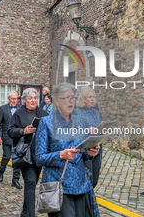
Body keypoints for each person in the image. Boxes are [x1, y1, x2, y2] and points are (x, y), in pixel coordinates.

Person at [35, 82, 100, 217]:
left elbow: (82, 152)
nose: (71, 101)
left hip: (80, 184)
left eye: (73, 98)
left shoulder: (80, 122)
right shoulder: (46, 122)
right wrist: (60, 155)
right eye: (67, 98)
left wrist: (90, 152)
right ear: (57, 102)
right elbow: (39, 157)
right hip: (59, 185)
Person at [8, 88, 48, 217]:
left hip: (39, 153)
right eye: (30, 98)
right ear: (24, 100)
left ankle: (25, 212)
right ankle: (30, 214)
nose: (33, 100)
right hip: (25, 154)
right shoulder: (18, 114)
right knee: (30, 182)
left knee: (33, 183)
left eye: (35, 98)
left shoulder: (43, 113)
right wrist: (23, 131)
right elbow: (10, 131)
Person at [75, 86, 102, 189]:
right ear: (83, 99)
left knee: (94, 181)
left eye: (93, 97)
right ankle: (87, 203)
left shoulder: (96, 113)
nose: (92, 99)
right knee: (87, 179)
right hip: (85, 150)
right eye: (90, 97)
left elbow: (99, 128)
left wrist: (104, 130)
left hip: (97, 149)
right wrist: (87, 130)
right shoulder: (77, 112)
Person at [0, 91, 22, 189]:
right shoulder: (2, 109)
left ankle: (15, 180)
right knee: (6, 157)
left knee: (17, 159)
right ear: (8, 99)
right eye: (12, 99)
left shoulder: (21, 108)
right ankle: (1, 171)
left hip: (18, 138)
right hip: (6, 137)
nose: (14, 101)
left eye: (16, 99)